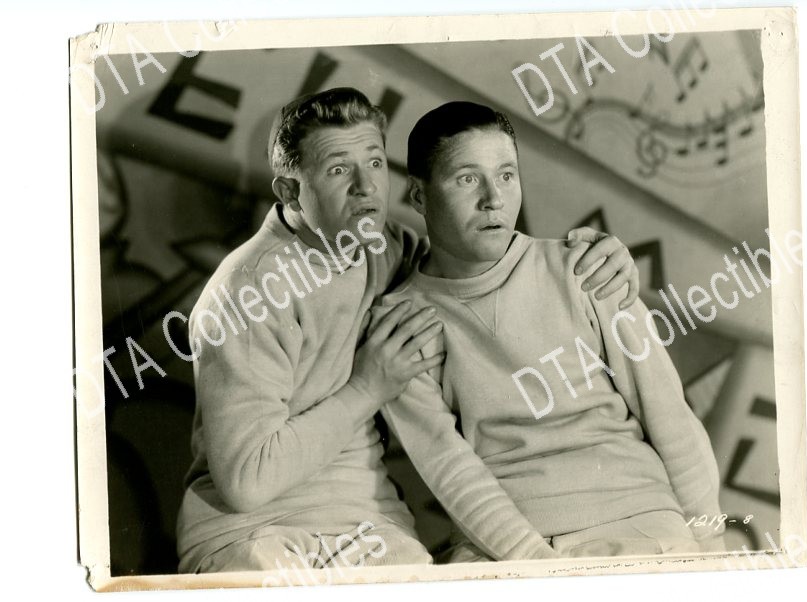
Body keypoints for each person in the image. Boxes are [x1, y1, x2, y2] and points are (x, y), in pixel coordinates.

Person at [176, 88, 641, 573]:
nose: (366, 188)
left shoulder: (389, 248)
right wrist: (367, 386)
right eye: (338, 170)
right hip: (252, 533)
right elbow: (246, 483)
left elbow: (479, 264)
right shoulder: (246, 293)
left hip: (369, 524)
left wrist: (595, 257)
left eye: (375, 163)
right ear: (290, 192)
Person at [376, 101, 724, 563]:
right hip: (506, 546)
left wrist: (710, 545)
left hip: (638, 521)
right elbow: (448, 469)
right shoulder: (400, 322)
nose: (494, 199)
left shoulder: (586, 269)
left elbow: (668, 413)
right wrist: (536, 565)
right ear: (419, 196)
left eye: (506, 175)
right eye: (467, 179)